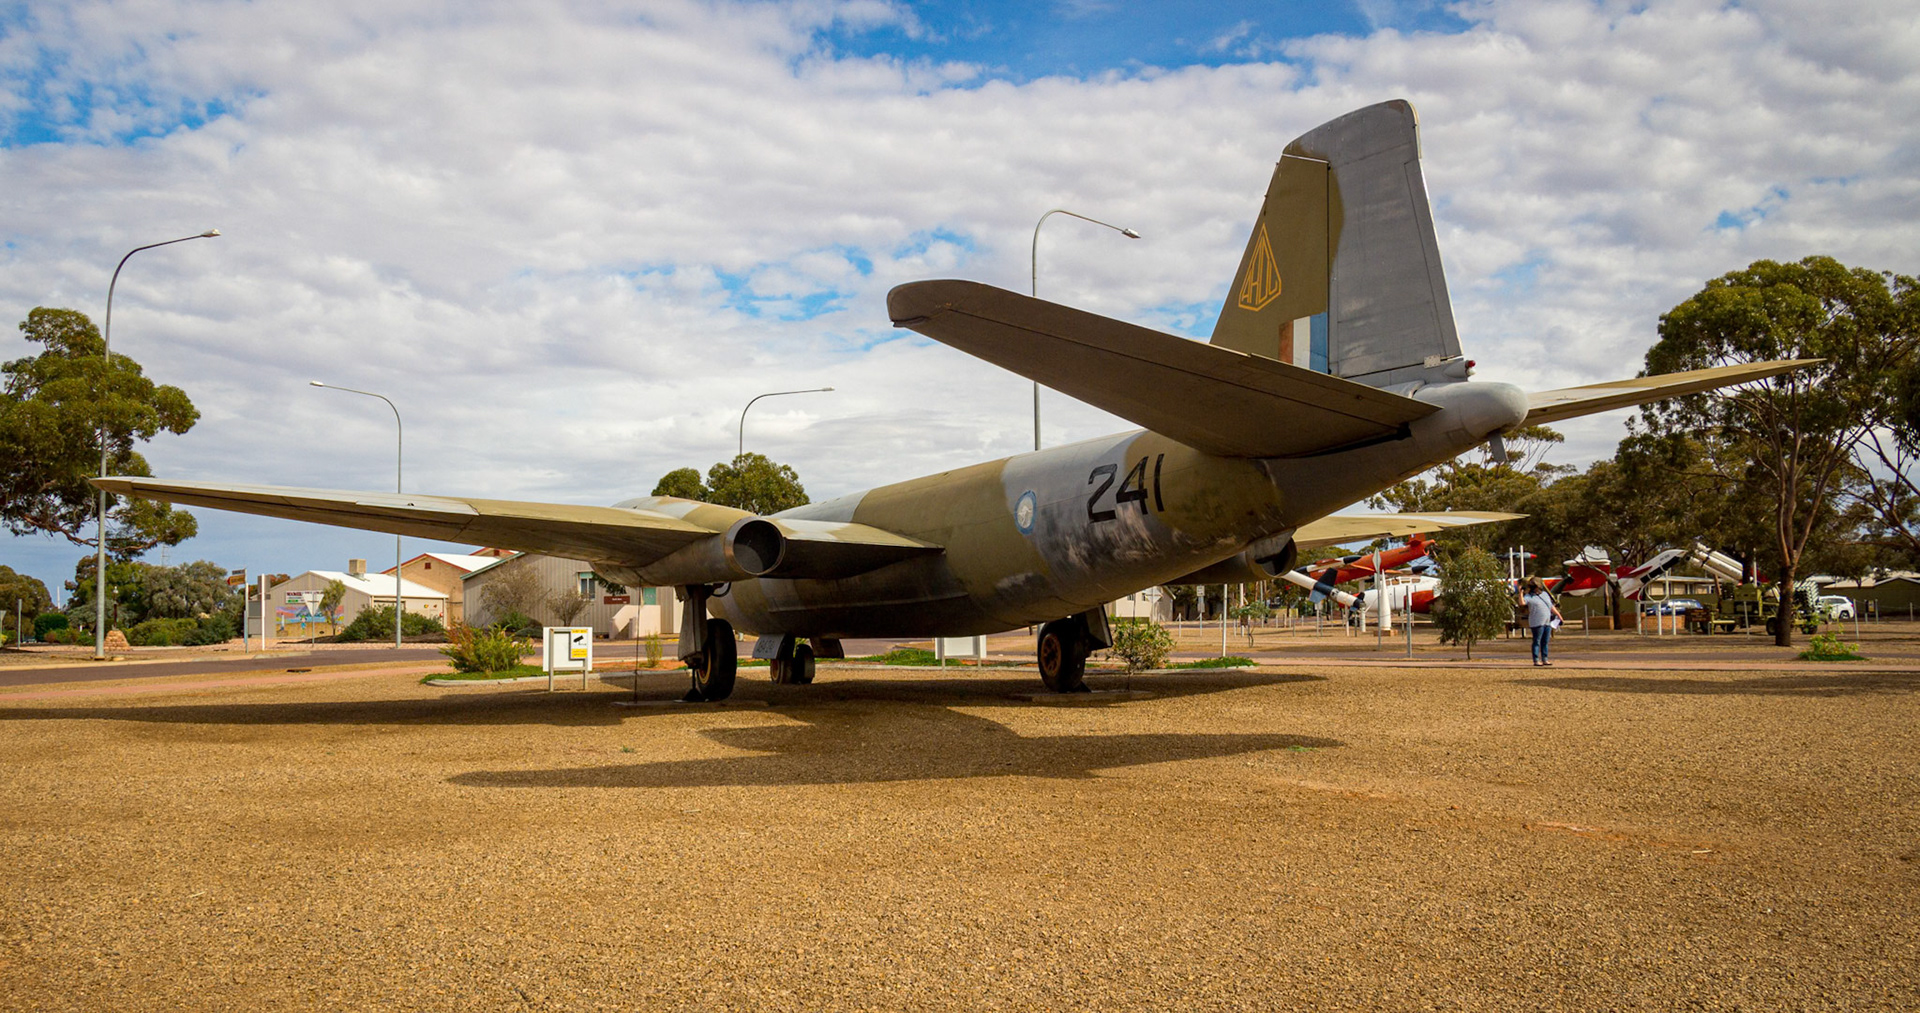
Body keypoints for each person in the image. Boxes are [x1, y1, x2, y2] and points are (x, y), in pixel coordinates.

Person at [1521, 577, 1563, 667]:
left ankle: (1545, 659)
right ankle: (1536, 660)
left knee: (1545, 641)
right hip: (1536, 622)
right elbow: (1522, 603)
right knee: (1537, 641)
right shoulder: (1528, 596)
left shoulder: (1544, 594)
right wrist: (1521, 593)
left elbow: (1551, 606)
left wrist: (1559, 615)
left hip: (1547, 622)